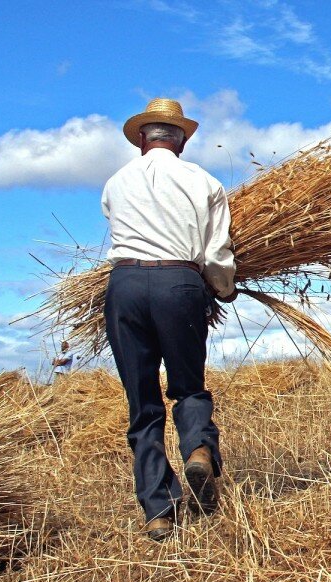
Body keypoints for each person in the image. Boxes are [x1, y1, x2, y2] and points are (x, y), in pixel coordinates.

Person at [102, 98, 237, 542]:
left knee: (142, 402)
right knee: (188, 385)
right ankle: (198, 448)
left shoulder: (115, 182)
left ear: (143, 139)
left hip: (124, 286)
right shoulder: (204, 181)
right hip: (180, 283)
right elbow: (217, 253)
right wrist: (223, 288)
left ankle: (158, 511)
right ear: (181, 140)